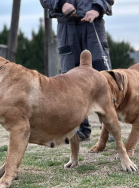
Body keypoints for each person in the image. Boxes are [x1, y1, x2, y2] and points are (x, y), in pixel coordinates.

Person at [39, 0, 114, 141]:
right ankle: (80, 130)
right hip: (66, 27)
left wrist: (97, 9)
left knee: (103, 76)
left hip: (94, 25)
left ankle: (109, 128)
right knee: (70, 81)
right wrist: (62, 4)